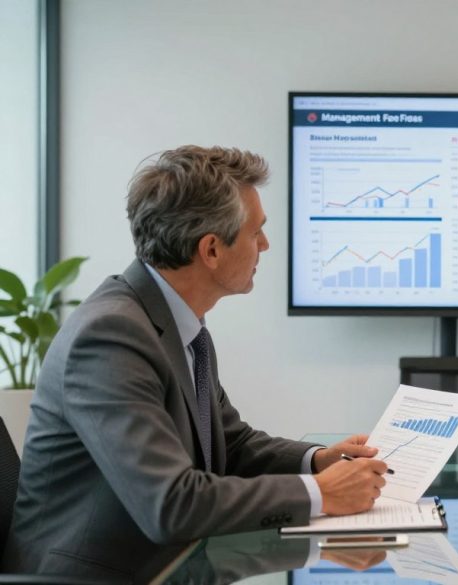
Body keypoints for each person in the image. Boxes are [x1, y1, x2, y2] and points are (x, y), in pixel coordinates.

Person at [2, 146, 389, 578]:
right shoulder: (110, 336)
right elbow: (171, 503)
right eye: (255, 232)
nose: (265, 244)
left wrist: (317, 460)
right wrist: (318, 493)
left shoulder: (173, 322)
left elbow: (230, 444)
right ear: (210, 250)